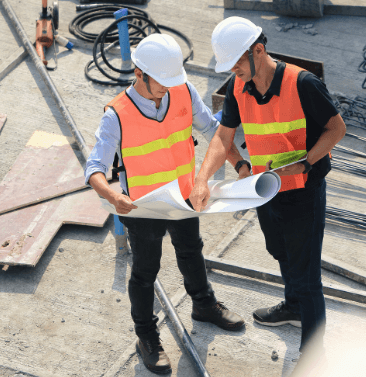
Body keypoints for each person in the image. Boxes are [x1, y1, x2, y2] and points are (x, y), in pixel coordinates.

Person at [85, 33, 246, 375]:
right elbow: (94, 168)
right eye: (161, 80)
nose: (167, 87)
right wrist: (114, 196)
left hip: (185, 195)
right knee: (145, 272)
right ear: (139, 73)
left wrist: (240, 163)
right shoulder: (116, 115)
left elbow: (214, 131)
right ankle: (146, 335)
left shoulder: (183, 91)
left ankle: (203, 305)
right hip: (143, 207)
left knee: (192, 250)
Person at [189, 17, 347, 363]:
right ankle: (293, 307)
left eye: (236, 63)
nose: (233, 71)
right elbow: (223, 137)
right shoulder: (237, 87)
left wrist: (306, 162)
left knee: (307, 276)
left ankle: (313, 353)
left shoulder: (303, 84)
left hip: (304, 191)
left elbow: (336, 129)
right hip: (265, 190)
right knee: (280, 251)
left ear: (257, 51)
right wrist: (203, 179)